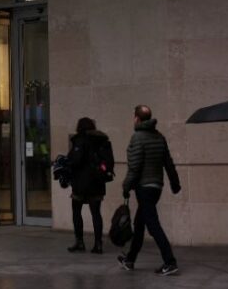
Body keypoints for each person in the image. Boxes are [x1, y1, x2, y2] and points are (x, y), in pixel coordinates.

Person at [117, 104, 181, 276]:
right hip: (156, 187)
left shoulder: (137, 138)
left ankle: (170, 262)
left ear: (137, 118)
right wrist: (175, 184)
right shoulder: (159, 136)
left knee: (152, 225)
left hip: (144, 187)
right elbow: (168, 162)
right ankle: (130, 259)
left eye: (133, 117)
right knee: (139, 224)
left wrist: (126, 186)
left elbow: (135, 167)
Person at [66, 117, 114, 254]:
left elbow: (75, 160)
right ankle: (98, 244)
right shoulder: (102, 140)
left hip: (81, 182)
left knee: (76, 211)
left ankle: (79, 242)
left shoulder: (79, 140)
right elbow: (109, 161)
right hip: (97, 181)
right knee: (96, 213)